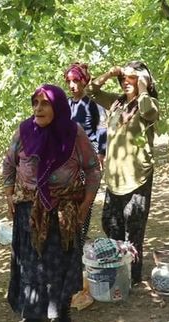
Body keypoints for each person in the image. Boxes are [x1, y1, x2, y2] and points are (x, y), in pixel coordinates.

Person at [3, 84, 100, 322]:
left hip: (63, 211)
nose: (38, 108)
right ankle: (32, 315)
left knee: (60, 264)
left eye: (44, 103)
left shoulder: (73, 133)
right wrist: (8, 194)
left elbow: (92, 168)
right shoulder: (24, 132)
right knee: (32, 264)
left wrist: (85, 203)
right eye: (35, 102)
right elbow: (9, 163)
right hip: (29, 210)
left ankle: (62, 316)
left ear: (57, 107)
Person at [87, 61, 159, 284]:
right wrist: (111, 73)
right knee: (110, 223)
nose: (126, 82)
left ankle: (133, 276)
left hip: (137, 176)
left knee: (133, 228)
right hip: (115, 177)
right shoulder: (116, 103)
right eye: (123, 79)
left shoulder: (147, 103)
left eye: (132, 79)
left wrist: (144, 86)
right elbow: (91, 90)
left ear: (142, 81)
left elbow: (149, 112)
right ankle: (119, 267)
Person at [64, 63, 103, 246]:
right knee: (70, 195)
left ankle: (81, 233)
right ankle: (70, 234)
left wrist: (101, 155)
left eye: (76, 81)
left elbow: (101, 131)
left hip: (88, 156)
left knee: (86, 197)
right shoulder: (66, 104)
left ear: (84, 81)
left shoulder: (93, 104)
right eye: (69, 81)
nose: (72, 86)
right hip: (69, 157)